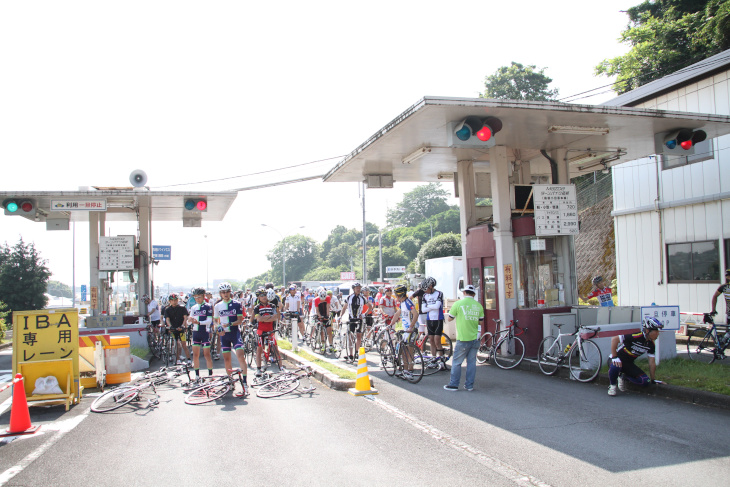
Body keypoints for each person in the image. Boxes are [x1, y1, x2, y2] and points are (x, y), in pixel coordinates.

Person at [607, 316, 664, 396]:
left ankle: (623, 377)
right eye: (656, 331)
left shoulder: (651, 345)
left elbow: (651, 362)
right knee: (615, 366)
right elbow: (614, 339)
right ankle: (612, 386)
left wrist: (653, 379)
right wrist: (614, 357)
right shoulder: (636, 336)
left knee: (645, 381)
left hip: (628, 364)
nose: (658, 333)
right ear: (647, 331)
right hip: (616, 359)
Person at [443, 285, 484, 391]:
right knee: (471, 363)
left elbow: (450, 318)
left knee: (457, 362)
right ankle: (469, 385)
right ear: (474, 294)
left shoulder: (458, 304)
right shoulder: (478, 306)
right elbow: (480, 321)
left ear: (464, 293)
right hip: (475, 338)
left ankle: (454, 384)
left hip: (463, 338)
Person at [213, 282, 249, 397]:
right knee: (227, 359)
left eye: (227, 291)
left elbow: (240, 320)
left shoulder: (237, 304)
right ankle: (230, 381)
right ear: (220, 294)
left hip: (235, 333)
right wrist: (219, 328)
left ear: (230, 292)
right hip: (224, 336)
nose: (225, 294)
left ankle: (245, 382)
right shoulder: (217, 306)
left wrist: (229, 324)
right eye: (223, 292)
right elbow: (215, 321)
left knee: (240, 356)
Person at [187, 287, 214, 380]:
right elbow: (189, 322)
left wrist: (198, 322)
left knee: (207, 354)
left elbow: (209, 320)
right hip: (195, 333)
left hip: (204, 332)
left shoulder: (208, 306)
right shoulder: (193, 307)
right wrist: (189, 321)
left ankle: (210, 375)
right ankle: (197, 375)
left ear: (203, 296)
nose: (197, 299)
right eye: (195, 297)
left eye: (199, 297)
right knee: (195, 355)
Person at [392, 284, 418, 376]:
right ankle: (406, 368)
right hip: (405, 329)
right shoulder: (402, 303)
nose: (395, 296)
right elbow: (397, 314)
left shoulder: (408, 302)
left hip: (410, 330)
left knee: (408, 349)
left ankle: (409, 369)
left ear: (400, 295)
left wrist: (411, 326)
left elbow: (416, 314)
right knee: (404, 349)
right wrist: (391, 324)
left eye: (396, 295)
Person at [421, 277, 447, 366]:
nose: (425, 291)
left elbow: (437, 307)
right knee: (431, 340)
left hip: (438, 319)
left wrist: (428, 307)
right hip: (429, 319)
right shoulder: (425, 296)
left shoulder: (439, 293)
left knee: (437, 340)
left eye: (426, 289)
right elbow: (423, 309)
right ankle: (433, 358)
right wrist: (432, 307)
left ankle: (441, 359)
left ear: (431, 286)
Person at [253, 289, 280, 376]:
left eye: (265, 295)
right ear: (258, 297)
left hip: (270, 329)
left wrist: (264, 318)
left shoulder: (272, 306)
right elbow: (258, 319)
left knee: (275, 347)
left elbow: (275, 317)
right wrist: (269, 317)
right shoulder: (257, 307)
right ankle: (258, 369)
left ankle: (281, 367)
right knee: (259, 349)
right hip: (261, 330)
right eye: (261, 296)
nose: (264, 297)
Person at [164, 294, 191, 364]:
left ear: (178, 300)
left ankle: (189, 359)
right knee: (176, 344)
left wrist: (183, 326)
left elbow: (185, 318)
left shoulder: (182, 308)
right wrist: (170, 326)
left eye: (175, 300)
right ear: (169, 301)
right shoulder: (167, 309)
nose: (174, 302)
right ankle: (178, 359)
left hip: (181, 328)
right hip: (173, 328)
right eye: (172, 300)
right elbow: (167, 319)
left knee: (184, 344)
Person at [345, 282, 367, 360]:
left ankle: (357, 352)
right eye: (357, 288)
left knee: (359, 336)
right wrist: (340, 316)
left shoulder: (362, 298)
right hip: (351, 319)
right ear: (353, 289)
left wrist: (364, 314)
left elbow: (370, 306)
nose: (358, 289)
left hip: (359, 319)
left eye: (359, 288)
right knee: (350, 336)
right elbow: (344, 307)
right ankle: (350, 354)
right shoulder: (349, 297)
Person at [313, 287, 333, 351]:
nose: (322, 301)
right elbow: (317, 310)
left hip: (325, 314)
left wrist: (327, 315)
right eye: (321, 300)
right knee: (321, 331)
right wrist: (319, 316)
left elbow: (327, 307)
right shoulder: (316, 300)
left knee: (329, 331)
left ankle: (331, 345)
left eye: (323, 300)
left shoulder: (328, 298)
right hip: (320, 314)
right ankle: (323, 343)